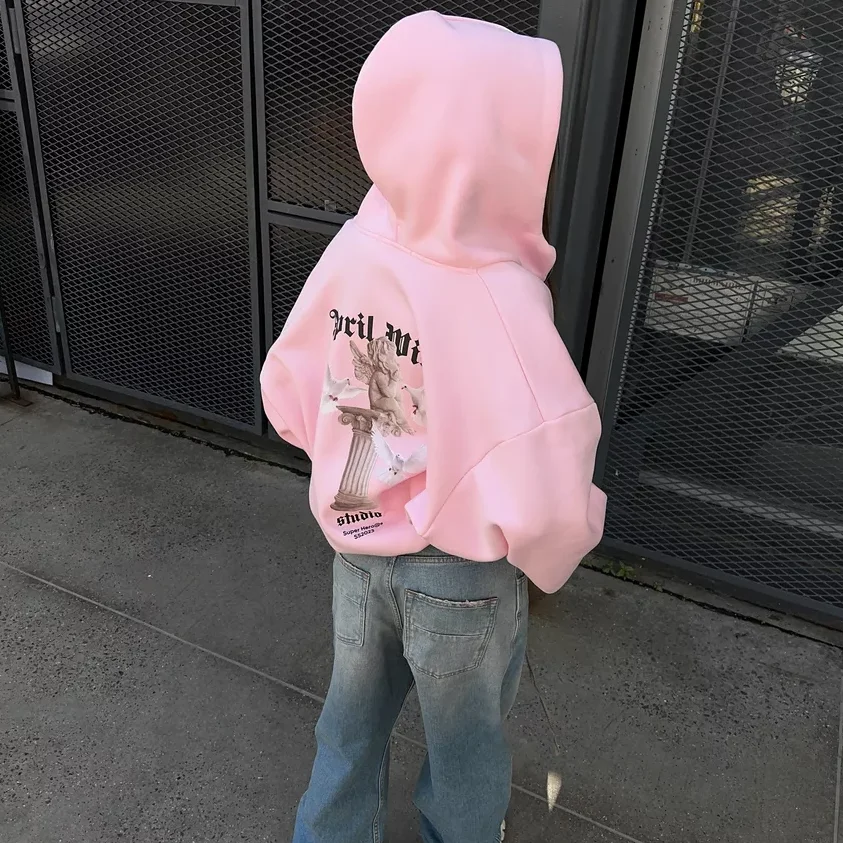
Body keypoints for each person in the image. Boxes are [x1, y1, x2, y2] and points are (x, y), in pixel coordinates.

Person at [260, 11, 606, 843]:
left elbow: (289, 380)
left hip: (355, 545)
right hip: (459, 574)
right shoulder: (498, 293)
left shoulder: (355, 248)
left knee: (348, 724)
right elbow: (548, 450)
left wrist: (346, 461)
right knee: (464, 751)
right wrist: (553, 549)